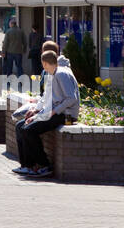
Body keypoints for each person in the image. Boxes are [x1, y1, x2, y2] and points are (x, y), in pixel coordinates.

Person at [13, 50, 80, 178]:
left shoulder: (61, 74)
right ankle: (27, 165)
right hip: (53, 112)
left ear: (44, 63)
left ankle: (44, 165)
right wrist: (36, 111)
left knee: (29, 130)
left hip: (66, 115)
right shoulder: (52, 74)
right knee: (20, 126)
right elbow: (46, 96)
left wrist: (53, 112)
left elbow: (72, 98)